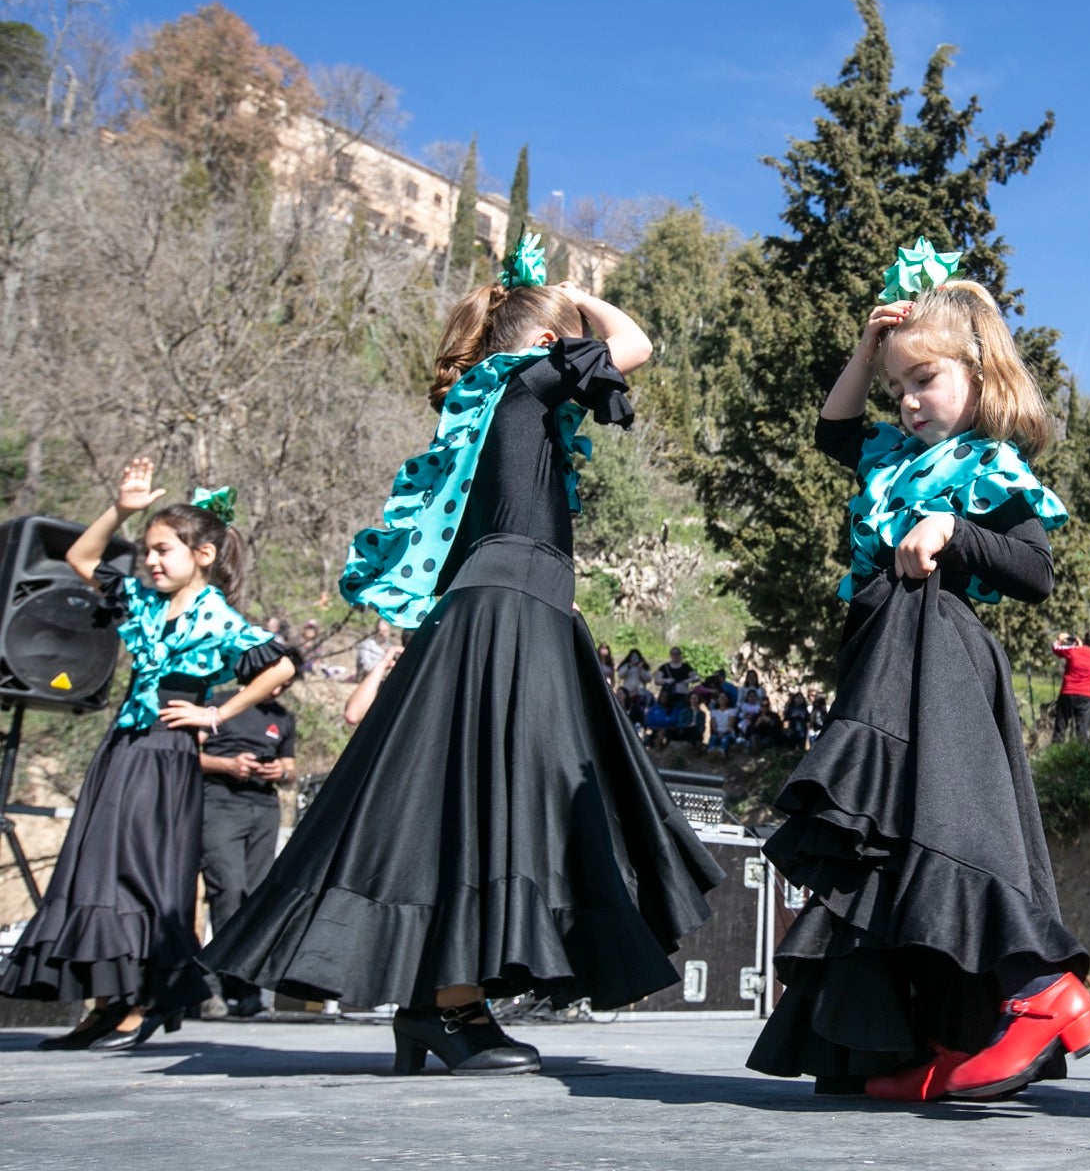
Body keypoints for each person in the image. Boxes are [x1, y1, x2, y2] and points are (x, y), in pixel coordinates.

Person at [202, 238, 723, 1076]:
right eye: (566, 345)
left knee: (473, 806)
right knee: (503, 803)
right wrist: (569, 295)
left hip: (504, 608)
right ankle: (453, 1007)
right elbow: (635, 343)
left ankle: (432, 1008)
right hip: (515, 610)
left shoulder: (490, 407)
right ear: (550, 348)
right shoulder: (521, 382)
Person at [746, 260, 1090, 1104]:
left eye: (925, 378)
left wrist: (951, 529)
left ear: (979, 378)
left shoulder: (988, 463)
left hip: (939, 650)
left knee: (946, 829)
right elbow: (832, 429)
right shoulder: (888, 455)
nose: (905, 399)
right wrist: (870, 346)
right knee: (892, 845)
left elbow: (1034, 571)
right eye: (896, 384)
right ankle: (937, 1033)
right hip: (882, 653)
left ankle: (1041, 992)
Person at [1, 463, 292, 1050]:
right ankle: (106, 1003)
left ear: (203, 553)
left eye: (164, 551)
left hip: (166, 755)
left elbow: (281, 665)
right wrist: (121, 509)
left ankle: (145, 1001)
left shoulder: (219, 617)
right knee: (96, 866)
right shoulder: (140, 600)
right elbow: (83, 560)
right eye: (149, 552)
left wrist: (215, 714)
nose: (152, 561)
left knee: (142, 872)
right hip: (123, 748)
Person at [198, 666, 300, 1017]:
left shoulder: (283, 717)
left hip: (263, 806)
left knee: (256, 897)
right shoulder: (218, 703)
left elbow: (290, 769)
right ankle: (210, 986)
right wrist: (226, 765)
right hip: (219, 801)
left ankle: (247, 990)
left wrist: (281, 772)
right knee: (227, 889)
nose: (280, 688)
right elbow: (185, 754)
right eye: (278, 679)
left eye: (287, 683)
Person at [1051, 631, 1090, 742]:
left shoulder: (1073, 651)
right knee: (1082, 727)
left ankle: (1056, 749)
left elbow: (1055, 648)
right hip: (1086, 695)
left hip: (1068, 692)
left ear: (1084, 640)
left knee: (1061, 724)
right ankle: (1080, 753)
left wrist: (1061, 639)